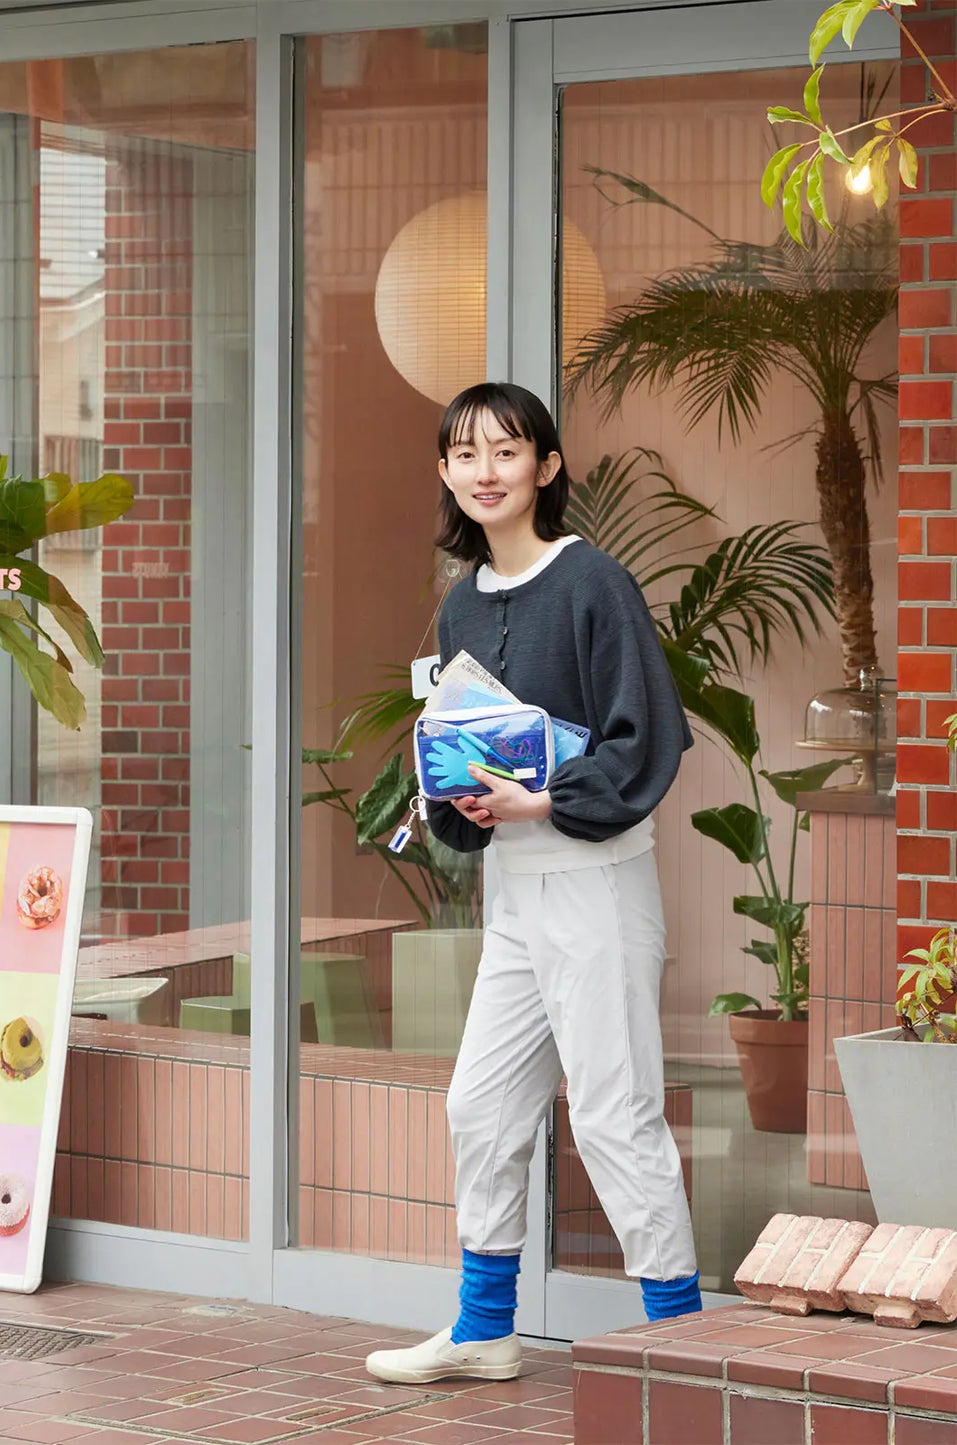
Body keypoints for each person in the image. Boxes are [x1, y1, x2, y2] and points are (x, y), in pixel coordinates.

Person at [365, 381, 702, 1386]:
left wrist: (540, 795)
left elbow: (645, 738)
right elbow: (468, 741)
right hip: (515, 891)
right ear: (443, 471)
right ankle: (482, 1327)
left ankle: (678, 1346)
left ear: (546, 468)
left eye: (506, 452)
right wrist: (467, 798)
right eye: (463, 453)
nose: (484, 471)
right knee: (478, 1104)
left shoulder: (591, 580)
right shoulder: (462, 599)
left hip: (597, 882)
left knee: (613, 1111)